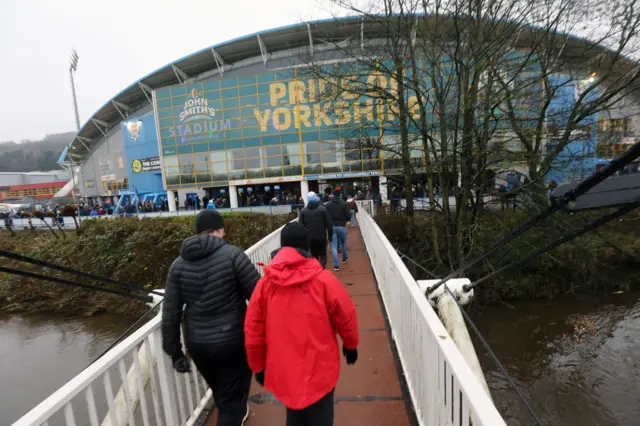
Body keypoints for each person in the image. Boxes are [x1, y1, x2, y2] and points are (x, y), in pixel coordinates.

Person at [244, 222, 359, 426]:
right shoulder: (324, 280)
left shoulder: (264, 285)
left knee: (294, 411)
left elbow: (253, 330)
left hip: (284, 368)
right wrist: (351, 346)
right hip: (321, 367)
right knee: (322, 411)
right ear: (306, 248)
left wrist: (258, 366)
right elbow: (346, 315)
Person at [162, 210, 260, 426]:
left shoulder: (177, 265)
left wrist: (175, 352)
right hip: (232, 341)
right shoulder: (234, 256)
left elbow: (170, 313)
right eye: (222, 230)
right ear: (218, 230)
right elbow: (259, 298)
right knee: (231, 397)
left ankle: (236, 412)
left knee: (221, 391)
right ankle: (234, 415)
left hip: (198, 344)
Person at [298, 191, 333, 268]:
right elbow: (329, 224)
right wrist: (330, 236)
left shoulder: (303, 211)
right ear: (316, 199)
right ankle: (321, 270)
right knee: (323, 254)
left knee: (313, 255)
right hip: (321, 237)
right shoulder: (322, 210)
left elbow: (300, 226)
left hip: (309, 238)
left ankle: (315, 270)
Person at [325, 189, 351, 271]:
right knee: (343, 243)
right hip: (342, 226)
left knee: (334, 246)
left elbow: (326, 216)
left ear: (333, 195)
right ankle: (344, 258)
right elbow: (348, 215)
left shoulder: (328, 205)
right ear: (339, 195)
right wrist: (346, 219)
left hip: (332, 227)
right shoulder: (344, 203)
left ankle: (336, 265)